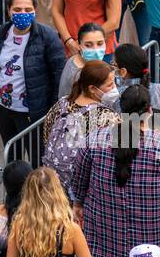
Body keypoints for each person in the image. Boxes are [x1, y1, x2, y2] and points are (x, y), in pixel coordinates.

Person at [72, 85, 160, 257]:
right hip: (153, 244)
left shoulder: (94, 139)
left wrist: (77, 206)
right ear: (149, 111)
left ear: (120, 110)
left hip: (105, 241)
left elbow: (78, 185)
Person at [0, 0, 67, 146]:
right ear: (9, 10)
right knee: (13, 159)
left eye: (28, 10)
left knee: (36, 161)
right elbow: (0, 64)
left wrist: (52, 112)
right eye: (18, 10)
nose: (23, 14)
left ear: (35, 10)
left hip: (32, 113)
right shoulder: (4, 32)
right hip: (3, 109)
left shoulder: (48, 37)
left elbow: (59, 76)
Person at [43, 61, 121, 197]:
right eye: (110, 85)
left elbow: (47, 135)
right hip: (84, 191)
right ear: (92, 88)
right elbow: (121, 153)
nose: (115, 88)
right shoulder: (106, 117)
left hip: (52, 186)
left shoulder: (61, 104)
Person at [53, 0, 122, 84]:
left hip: (100, 51)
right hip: (70, 49)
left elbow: (114, 22)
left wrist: (89, 44)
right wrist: (70, 42)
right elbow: (56, 11)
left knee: (100, 93)